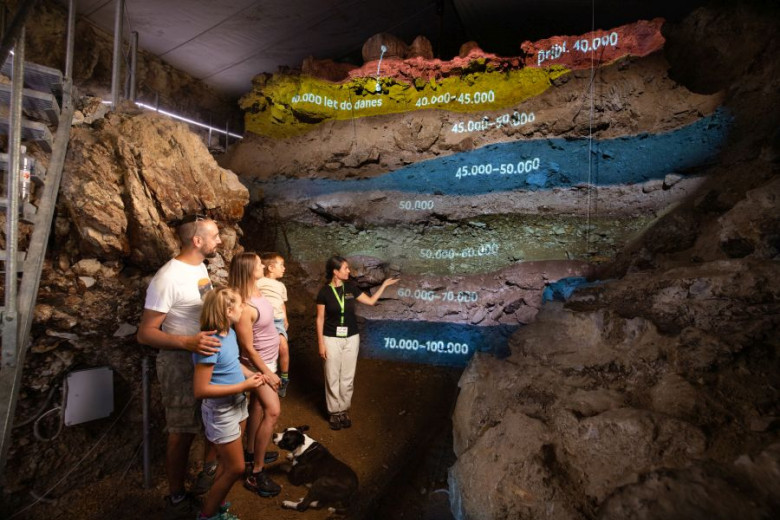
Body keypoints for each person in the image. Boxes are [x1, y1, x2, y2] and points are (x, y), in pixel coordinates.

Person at [137, 215, 223, 519]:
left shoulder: (200, 268)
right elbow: (145, 333)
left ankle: (206, 474)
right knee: (182, 430)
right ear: (197, 241)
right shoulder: (167, 277)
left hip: (203, 357)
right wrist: (188, 342)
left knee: (213, 420)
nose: (220, 240)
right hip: (178, 361)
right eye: (214, 235)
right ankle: (175, 496)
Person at [193, 287, 264, 520]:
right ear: (228, 309)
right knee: (236, 467)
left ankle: (219, 506)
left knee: (227, 463)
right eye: (240, 305)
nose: (244, 309)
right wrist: (244, 387)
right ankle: (207, 516)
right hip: (221, 411)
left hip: (237, 404)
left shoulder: (229, 333)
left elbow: (233, 365)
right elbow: (201, 389)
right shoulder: (210, 343)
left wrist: (251, 376)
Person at [316, 255, 399, 430]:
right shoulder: (324, 292)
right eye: (345, 268)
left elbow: (370, 301)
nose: (349, 271)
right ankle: (334, 412)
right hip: (331, 338)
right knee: (332, 376)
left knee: (347, 376)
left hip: (352, 337)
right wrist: (321, 344)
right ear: (335, 272)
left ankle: (344, 410)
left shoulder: (351, 287)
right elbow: (320, 318)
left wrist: (383, 285)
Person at [228, 252, 282, 497]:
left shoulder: (258, 292)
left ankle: (251, 452)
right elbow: (247, 347)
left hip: (269, 359)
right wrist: (266, 374)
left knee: (258, 407)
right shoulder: (244, 306)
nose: (263, 265)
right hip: (258, 366)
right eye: (260, 263)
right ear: (249, 269)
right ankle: (256, 473)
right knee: (273, 410)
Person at [257, 252, 290, 397]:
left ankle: (284, 378)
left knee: (283, 346)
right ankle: (266, 374)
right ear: (270, 267)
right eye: (281, 265)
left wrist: (285, 318)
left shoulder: (281, 286)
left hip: (277, 320)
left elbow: (281, 303)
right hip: (264, 320)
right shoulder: (259, 281)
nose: (284, 268)